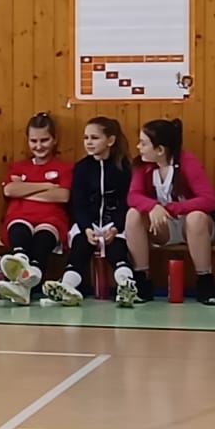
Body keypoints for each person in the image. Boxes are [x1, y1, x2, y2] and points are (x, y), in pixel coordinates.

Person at [126, 118, 215, 305]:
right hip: (164, 226)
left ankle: (206, 281)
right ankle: (141, 280)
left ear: (160, 150)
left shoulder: (188, 162)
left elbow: (208, 200)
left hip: (193, 226)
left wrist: (170, 208)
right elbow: (133, 196)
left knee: (196, 217)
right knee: (133, 214)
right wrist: (153, 206)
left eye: (143, 143)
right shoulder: (141, 165)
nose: (138, 147)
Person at [53, 117, 136, 307]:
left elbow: (126, 202)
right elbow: (78, 203)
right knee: (79, 251)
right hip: (88, 225)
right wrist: (87, 228)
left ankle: (126, 286)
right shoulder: (82, 168)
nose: (89, 142)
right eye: (86, 138)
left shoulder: (124, 168)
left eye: (95, 138)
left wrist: (115, 227)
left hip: (115, 225)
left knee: (118, 252)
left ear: (110, 140)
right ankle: (67, 287)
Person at [0, 113, 71, 305]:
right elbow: (9, 190)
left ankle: (23, 283)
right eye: (33, 141)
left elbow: (63, 195)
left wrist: (24, 190)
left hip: (51, 218)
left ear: (54, 140)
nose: (39, 146)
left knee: (44, 234)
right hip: (20, 216)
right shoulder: (18, 166)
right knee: (20, 227)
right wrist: (46, 186)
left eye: (44, 140)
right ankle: (23, 268)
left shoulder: (65, 167)